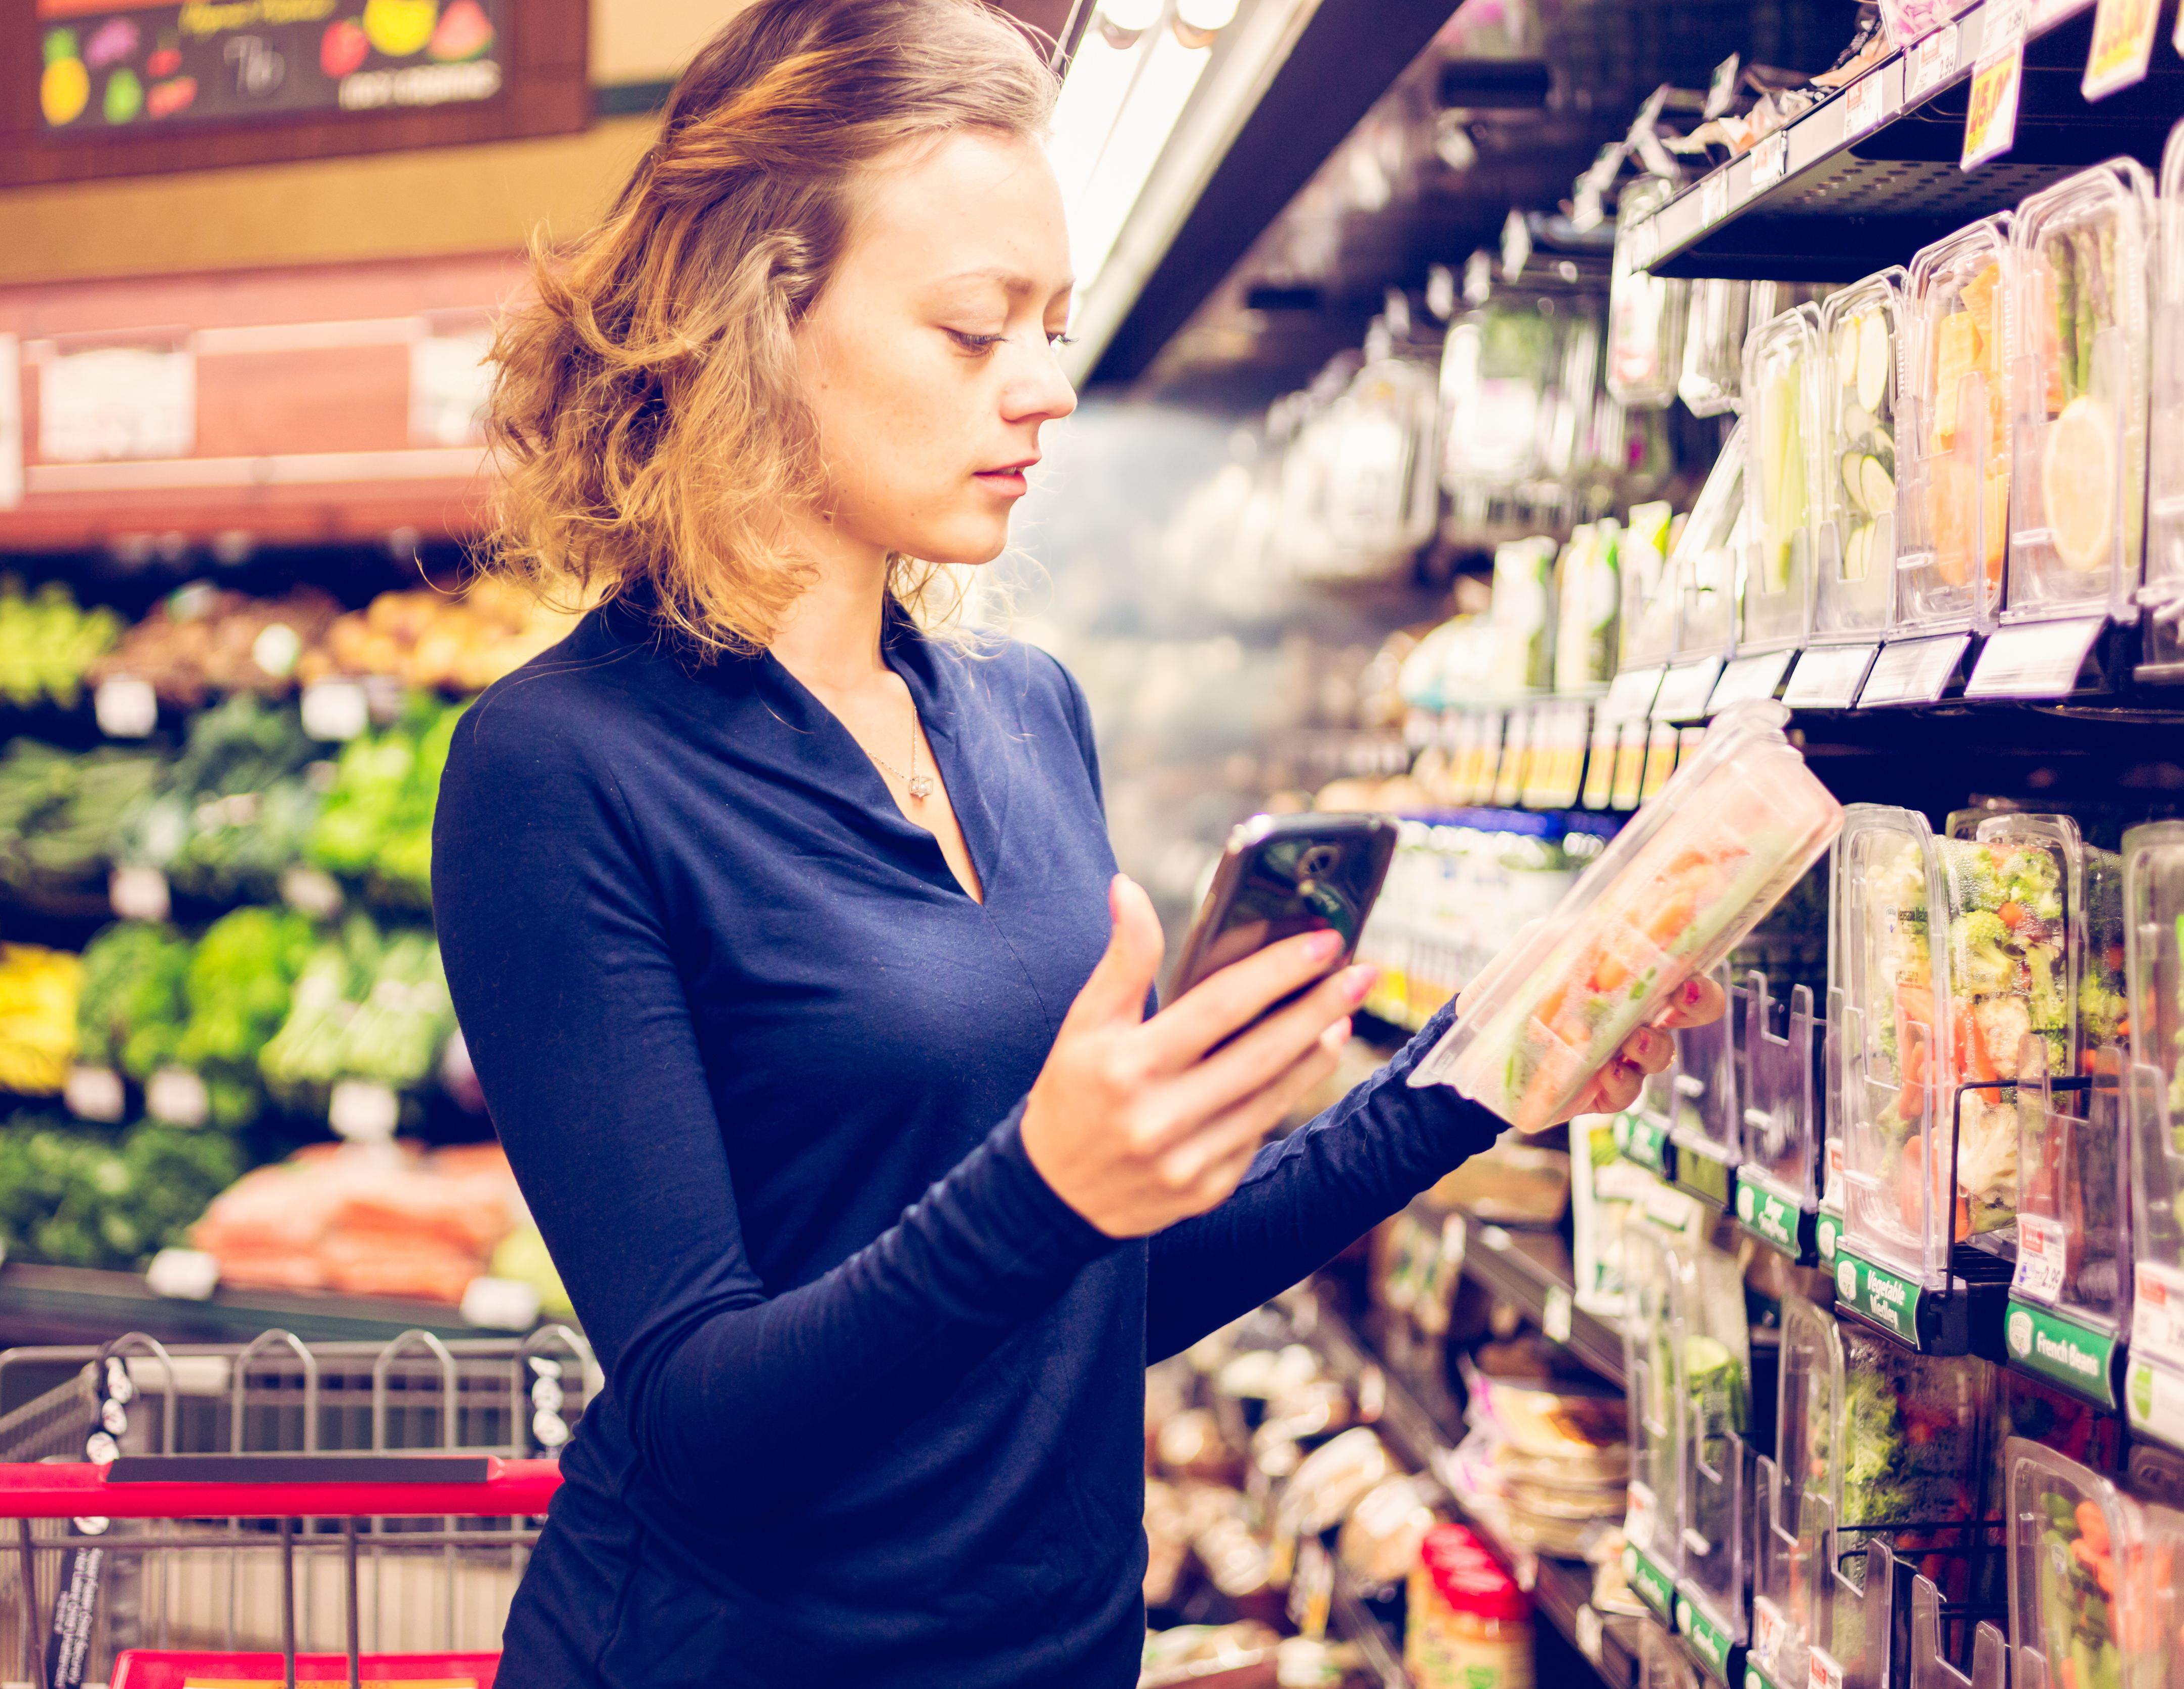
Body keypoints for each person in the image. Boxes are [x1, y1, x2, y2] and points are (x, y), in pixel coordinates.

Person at [431, 2, 1716, 1681]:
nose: (1043, 388)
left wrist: (1476, 1081)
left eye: (1054, 323)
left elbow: (1087, 1310)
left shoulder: (1025, 716)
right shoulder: (558, 773)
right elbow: (697, 1422)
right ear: (754, 326)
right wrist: (1047, 1187)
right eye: (975, 333)